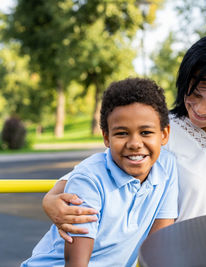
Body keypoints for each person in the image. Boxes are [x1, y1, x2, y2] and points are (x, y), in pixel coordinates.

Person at [42, 33, 206, 242]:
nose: (199, 108)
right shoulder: (159, 130)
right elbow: (100, 166)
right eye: (195, 94)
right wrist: (50, 199)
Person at [21, 78, 178, 266]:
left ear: (164, 134)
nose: (135, 144)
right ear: (106, 137)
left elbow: (157, 248)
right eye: (122, 133)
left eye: (145, 132)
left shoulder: (167, 166)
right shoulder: (90, 180)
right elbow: (76, 263)